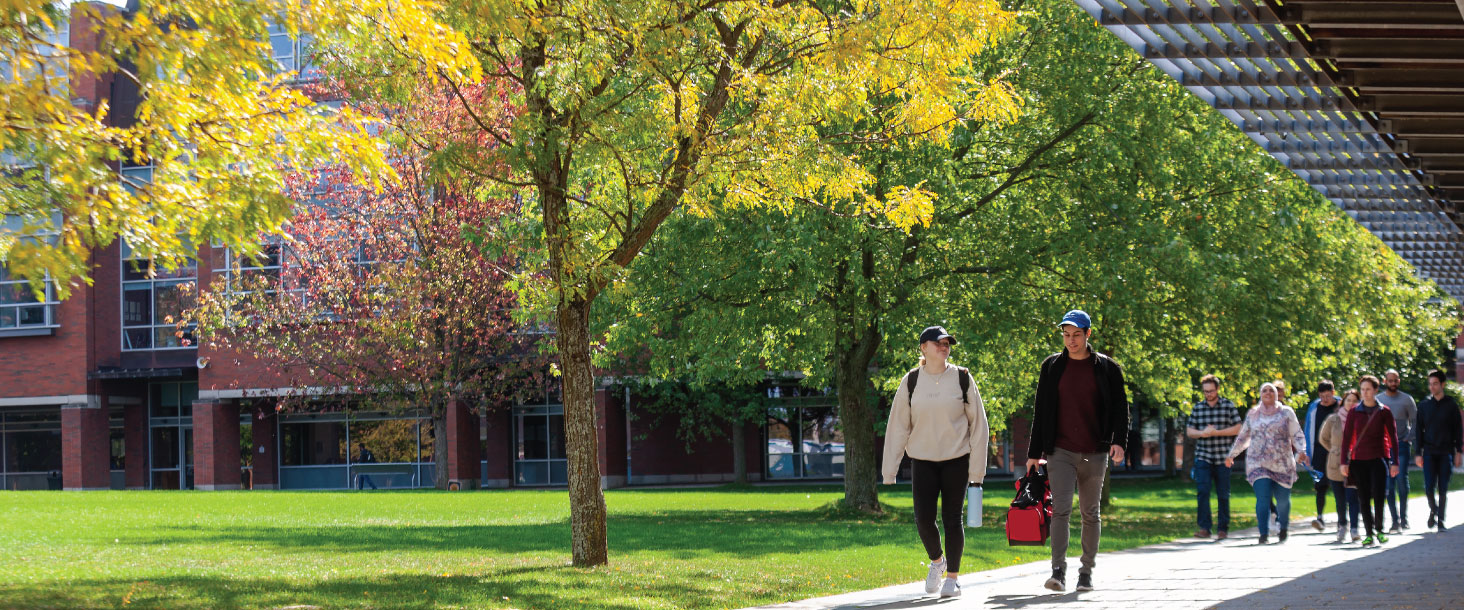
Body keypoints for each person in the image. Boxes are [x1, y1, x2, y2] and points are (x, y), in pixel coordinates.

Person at [883, 325, 990, 599]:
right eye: (938, 343)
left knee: (953, 519)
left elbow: (979, 426)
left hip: (957, 460)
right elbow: (898, 427)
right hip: (922, 461)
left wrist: (977, 470)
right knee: (923, 520)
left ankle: (952, 578)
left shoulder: (963, 378)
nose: (944, 347)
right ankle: (938, 561)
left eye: (947, 343)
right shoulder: (911, 381)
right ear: (924, 348)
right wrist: (889, 470)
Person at [1025, 310, 1127, 593]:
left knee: (1090, 513)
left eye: (1077, 335)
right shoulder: (1052, 367)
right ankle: (1058, 571)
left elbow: (1121, 409)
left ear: (1088, 334)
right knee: (1060, 510)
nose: (1071, 341)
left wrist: (1119, 441)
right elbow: (1041, 410)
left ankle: (1086, 572)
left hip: (1095, 451)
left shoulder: (1107, 368)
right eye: (1066, 335)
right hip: (1060, 450)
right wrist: (1034, 452)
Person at [1225, 382, 1306, 543]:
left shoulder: (1286, 412)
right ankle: (1263, 534)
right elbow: (1243, 437)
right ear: (1260, 394)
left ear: (1277, 394)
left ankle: (1283, 527)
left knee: (1282, 500)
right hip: (1258, 463)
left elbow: (1296, 433)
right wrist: (1232, 455)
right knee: (1262, 498)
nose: (1268, 393)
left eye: (1271, 390)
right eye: (1264, 390)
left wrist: (1302, 450)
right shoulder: (1253, 414)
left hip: (1282, 464)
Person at [1340, 375, 1400, 548]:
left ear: (1375, 390)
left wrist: (1394, 461)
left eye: (1368, 389)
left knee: (1380, 495)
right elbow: (1347, 438)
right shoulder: (1354, 412)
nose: (1365, 392)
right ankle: (1368, 533)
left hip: (1378, 458)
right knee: (1363, 497)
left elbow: (1393, 438)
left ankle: (1380, 530)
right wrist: (1344, 461)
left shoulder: (1384, 411)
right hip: (1359, 460)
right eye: (1362, 389)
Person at [1185, 374, 1242, 539]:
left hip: (1223, 456)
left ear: (1217, 389)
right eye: (1205, 391)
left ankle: (1222, 528)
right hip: (1203, 456)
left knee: (1223, 493)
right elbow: (1190, 431)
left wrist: (1217, 432)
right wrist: (1203, 433)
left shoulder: (1228, 406)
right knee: (1202, 491)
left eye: (1210, 391)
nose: (1208, 394)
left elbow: (1238, 428)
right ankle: (1204, 527)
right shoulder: (1198, 408)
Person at [1414, 370, 1463, 531]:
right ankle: (1433, 510)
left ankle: (1440, 520)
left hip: (1446, 452)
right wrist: (1417, 453)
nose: (1432, 387)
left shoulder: (1451, 405)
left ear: (1442, 384)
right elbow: (1418, 430)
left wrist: (1458, 452)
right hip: (1428, 451)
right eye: (1430, 384)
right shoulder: (1424, 405)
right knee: (1429, 487)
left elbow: (1458, 429)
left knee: (1443, 487)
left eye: (1435, 383)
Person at [1319, 388, 1362, 543]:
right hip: (1336, 463)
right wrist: (1335, 450)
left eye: (1354, 401)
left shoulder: (1361, 418)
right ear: (1343, 402)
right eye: (1348, 400)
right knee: (1340, 499)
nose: (1351, 404)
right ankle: (1342, 525)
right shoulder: (1333, 419)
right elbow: (1323, 438)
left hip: (1355, 462)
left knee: (1353, 497)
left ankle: (1355, 528)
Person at [1377, 369, 1416, 532]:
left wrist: (1408, 438)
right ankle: (1394, 520)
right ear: (1385, 381)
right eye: (1390, 380)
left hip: (1402, 444)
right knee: (1389, 484)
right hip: (1386, 447)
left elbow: (1415, 421)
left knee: (1401, 480)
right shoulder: (1378, 400)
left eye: (1395, 380)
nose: (1393, 383)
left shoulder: (1407, 400)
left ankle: (1404, 518)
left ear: (1398, 381)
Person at [1303, 381, 1341, 531]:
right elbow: (1308, 430)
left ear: (1333, 392)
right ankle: (1319, 517)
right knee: (1320, 485)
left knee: (1339, 485)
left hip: (1336, 450)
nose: (1325, 399)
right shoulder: (1314, 408)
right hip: (1319, 451)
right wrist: (1306, 452)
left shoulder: (1340, 406)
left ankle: (1342, 519)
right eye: (1322, 396)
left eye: (1328, 395)